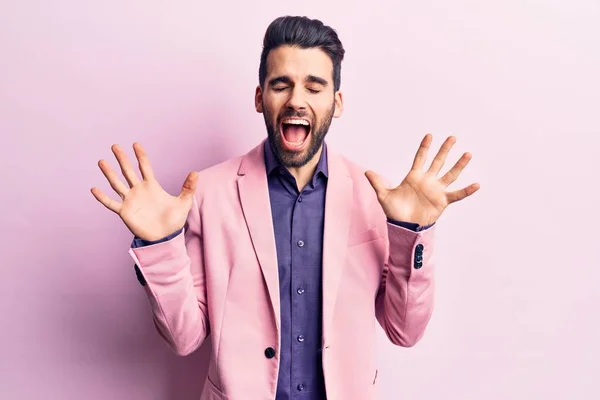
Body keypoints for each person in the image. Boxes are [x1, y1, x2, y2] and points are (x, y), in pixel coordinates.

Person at [91, 15, 479, 400]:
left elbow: (405, 331)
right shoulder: (209, 193)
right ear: (260, 98)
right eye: (281, 85)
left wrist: (411, 233)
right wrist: (159, 245)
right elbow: (184, 338)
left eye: (314, 87)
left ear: (336, 102)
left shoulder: (374, 197)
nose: (296, 100)